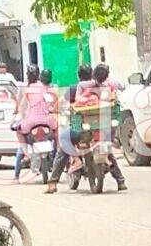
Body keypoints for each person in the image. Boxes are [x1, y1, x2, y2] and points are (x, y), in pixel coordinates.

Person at [46, 64, 126, 193]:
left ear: (79, 76)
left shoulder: (74, 89)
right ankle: (120, 180)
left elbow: (59, 105)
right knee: (107, 151)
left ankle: (53, 182)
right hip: (103, 129)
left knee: (64, 144)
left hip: (81, 130)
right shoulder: (108, 88)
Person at [13, 65, 57, 180]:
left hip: (30, 121)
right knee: (59, 134)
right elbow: (56, 104)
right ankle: (61, 152)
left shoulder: (28, 89)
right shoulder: (51, 89)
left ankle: (19, 169)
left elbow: (21, 107)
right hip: (48, 121)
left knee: (19, 134)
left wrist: (20, 116)